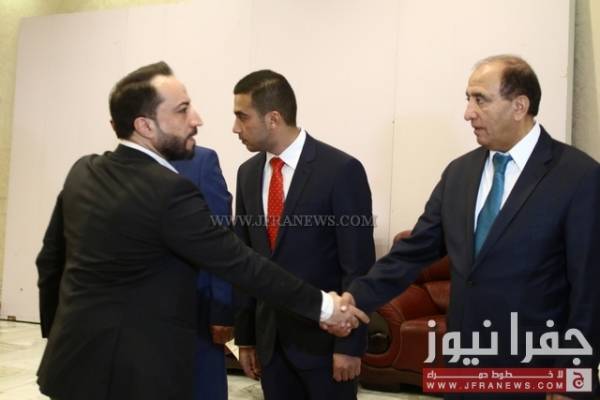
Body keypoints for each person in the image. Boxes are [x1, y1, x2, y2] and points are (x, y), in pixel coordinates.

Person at [35, 61, 368, 400]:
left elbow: (50, 264)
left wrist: (58, 336)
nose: (197, 119)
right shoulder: (170, 190)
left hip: (70, 368)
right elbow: (241, 263)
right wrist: (327, 308)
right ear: (145, 125)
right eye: (182, 110)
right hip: (138, 375)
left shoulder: (83, 171)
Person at [340, 55, 600, 399]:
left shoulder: (578, 176)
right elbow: (413, 251)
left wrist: (571, 379)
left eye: (480, 99)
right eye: (468, 99)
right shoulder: (459, 174)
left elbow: (590, 289)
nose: (468, 113)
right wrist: (355, 297)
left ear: (519, 106)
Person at [232, 69, 375, 400]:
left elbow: (358, 267)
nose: (235, 128)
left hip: (325, 346)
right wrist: (246, 338)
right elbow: (244, 263)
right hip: (270, 347)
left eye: (242, 116)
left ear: (273, 118)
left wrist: (350, 345)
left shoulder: (341, 170)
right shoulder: (247, 174)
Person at [172, 146, 233, 400]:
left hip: (194, 312)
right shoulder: (114, 169)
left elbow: (220, 242)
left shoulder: (200, 161)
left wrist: (222, 308)